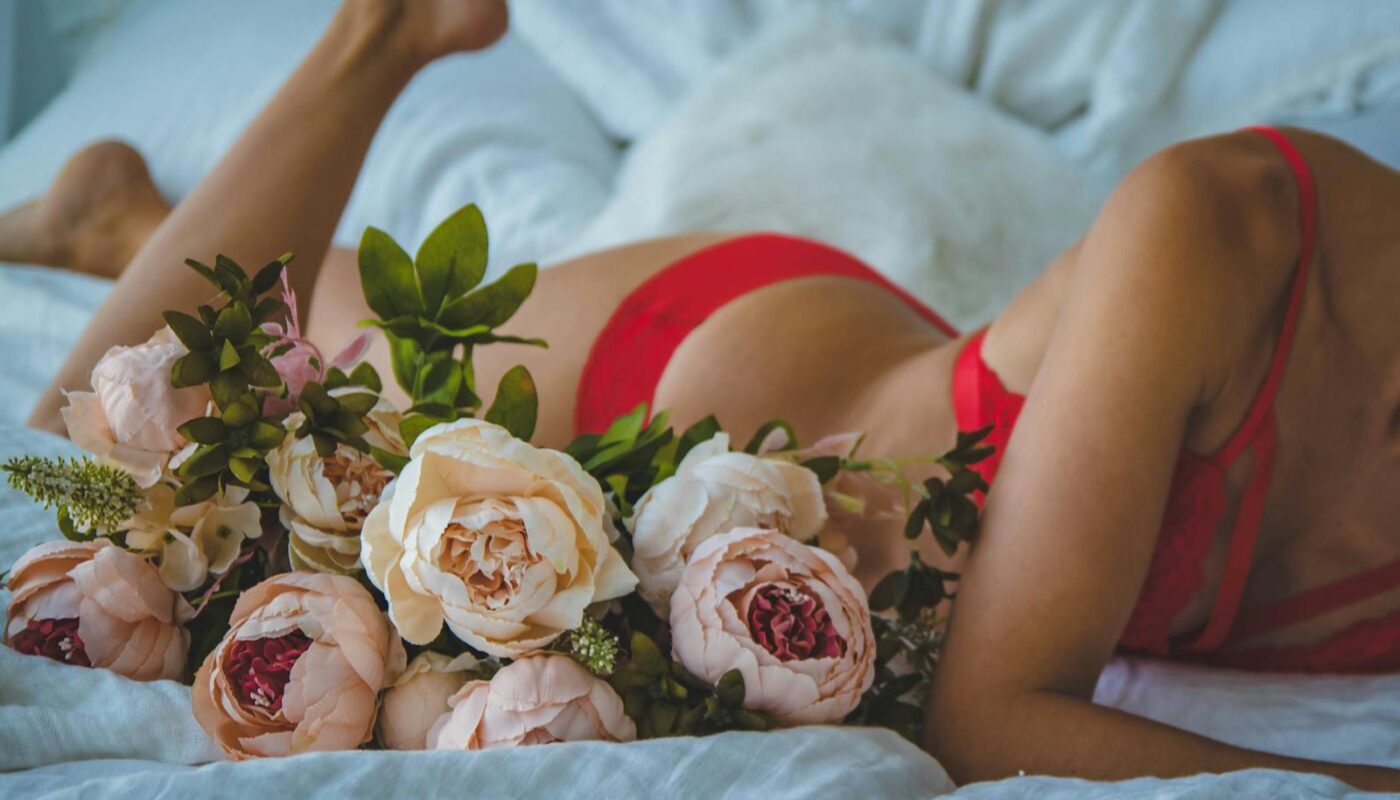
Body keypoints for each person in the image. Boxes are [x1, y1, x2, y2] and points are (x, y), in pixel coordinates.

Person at [2, 0, 1396, 790]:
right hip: (733, 388)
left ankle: (121, 217)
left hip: (875, 420)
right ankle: (389, 30)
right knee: (148, 412)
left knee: (329, 332)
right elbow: (995, 723)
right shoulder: (1217, 224)